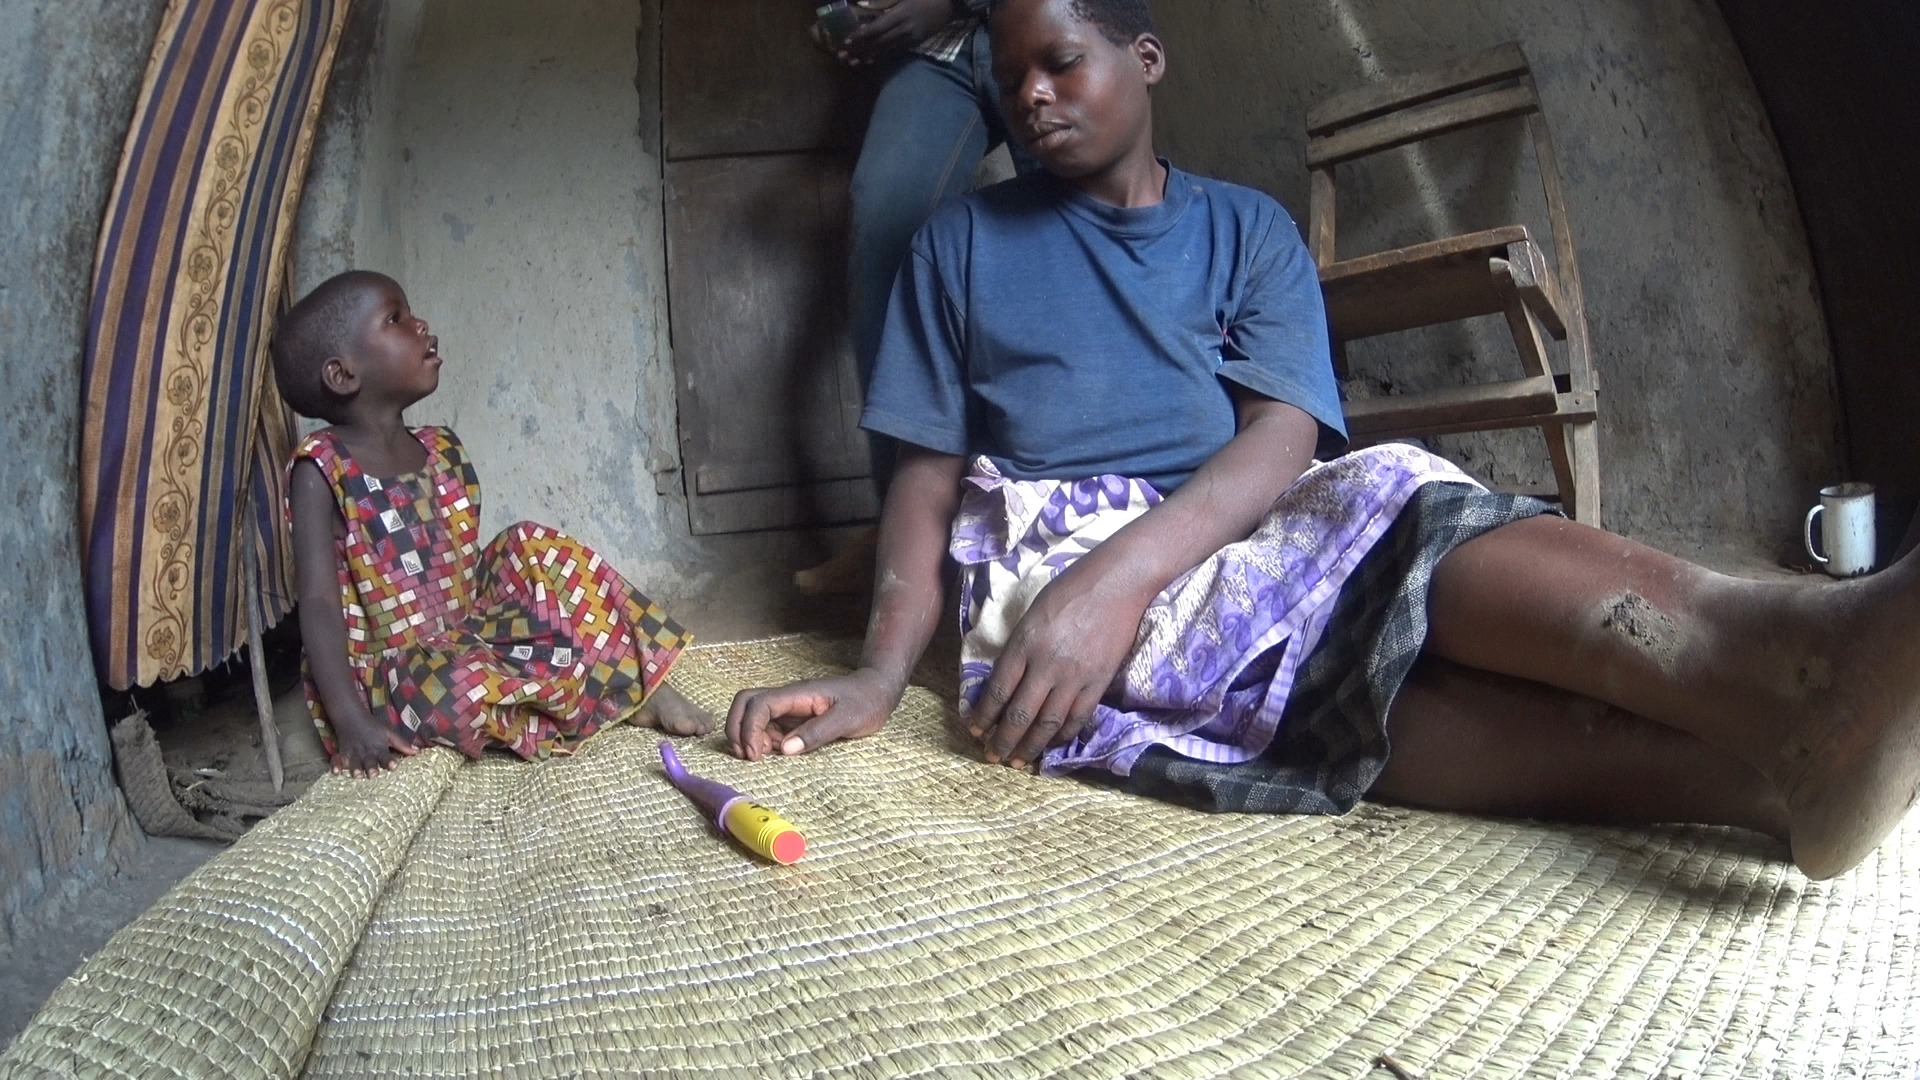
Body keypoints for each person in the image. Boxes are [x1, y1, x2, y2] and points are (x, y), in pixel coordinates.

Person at [726, 0, 1920, 882]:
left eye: (1062, 62)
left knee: (1392, 488)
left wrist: (1132, 568)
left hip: (1217, 514)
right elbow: (927, 486)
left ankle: (1784, 652)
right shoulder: (960, 247)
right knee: (1312, 680)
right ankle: (1767, 774)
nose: (1030, 94)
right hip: (1051, 550)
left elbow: (1283, 434)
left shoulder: (1245, 229)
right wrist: (885, 672)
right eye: (1009, 74)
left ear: (1145, 59)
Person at [274, 271, 710, 778]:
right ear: (343, 375)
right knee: (461, 685)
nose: (421, 325)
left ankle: (637, 686)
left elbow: (466, 573)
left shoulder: (442, 448)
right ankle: (580, 701)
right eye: (396, 318)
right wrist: (350, 721)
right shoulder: (321, 467)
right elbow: (321, 605)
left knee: (534, 546)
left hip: (466, 625)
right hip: (403, 668)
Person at [795, 0, 1040, 594]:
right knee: (884, 244)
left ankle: (1062, 520)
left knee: (1074, 233)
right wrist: (853, 23)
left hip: (1044, 21)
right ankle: (904, 538)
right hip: (941, 53)